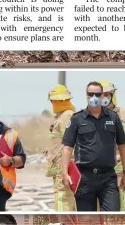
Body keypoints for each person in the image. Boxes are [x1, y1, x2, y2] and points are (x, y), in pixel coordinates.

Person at [61, 81, 125, 212]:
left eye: (97, 94)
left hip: (108, 178)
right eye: (91, 94)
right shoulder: (77, 119)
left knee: (112, 216)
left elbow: (122, 145)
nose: (94, 97)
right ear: (86, 96)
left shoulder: (113, 117)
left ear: (102, 96)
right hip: (84, 178)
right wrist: (65, 173)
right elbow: (67, 147)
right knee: (87, 219)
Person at [98, 79, 125, 212]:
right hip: (96, 167)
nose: (104, 98)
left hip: (117, 166)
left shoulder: (121, 114)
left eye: (107, 95)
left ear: (112, 96)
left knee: (116, 201)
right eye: (101, 95)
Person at [45, 84, 76, 212]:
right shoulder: (61, 116)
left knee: (63, 201)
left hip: (64, 169)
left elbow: (70, 144)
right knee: (65, 200)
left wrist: (65, 170)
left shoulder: (67, 116)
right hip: (60, 168)